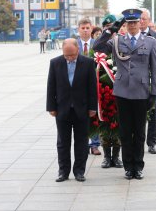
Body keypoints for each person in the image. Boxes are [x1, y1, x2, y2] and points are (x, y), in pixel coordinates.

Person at [93, 8, 156, 180]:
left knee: (139, 132)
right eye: (128, 23)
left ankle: (138, 166)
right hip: (122, 92)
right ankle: (128, 167)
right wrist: (110, 31)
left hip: (141, 92)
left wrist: (154, 93)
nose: (131, 26)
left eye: (134, 23)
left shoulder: (150, 42)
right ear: (125, 24)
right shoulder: (117, 41)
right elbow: (98, 47)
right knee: (124, 131)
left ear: (140, 23)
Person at [46, 39, 97, 182]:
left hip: (82, 109)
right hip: (62, 109)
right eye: (66, 56)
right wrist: (51, 107)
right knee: (63, 142)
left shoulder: (87, 63)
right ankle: (63, 171)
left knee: (81, 142)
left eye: (72, 55)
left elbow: (92, 87)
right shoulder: (55, 63)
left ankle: (79, 171)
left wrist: (93, 107)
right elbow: (51, 86)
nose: (69, 58)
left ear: (78, 51)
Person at [140, 9, 156, 155]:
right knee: (139, 113)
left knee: (153, 112)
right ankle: (138, 139)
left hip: (153, 81)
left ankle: (152, 142)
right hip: (138, 82)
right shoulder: (131, 37)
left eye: (144, 19)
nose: (141, 21)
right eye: (139, 19)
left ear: (149, 20)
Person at [98, 13, 122, 169]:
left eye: (112, 26)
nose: (110, 29)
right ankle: (106, 157)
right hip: (103, 89)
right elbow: (97, 49)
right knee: (104, 123)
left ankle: (117, 156)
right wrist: (107, 33)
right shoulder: (101, 42)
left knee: (118, 122)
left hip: (120, 88)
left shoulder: (122, 40)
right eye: (107, 27)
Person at [77, 18, 101, 155]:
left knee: (94, 114)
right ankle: (83, 143)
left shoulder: (96, 44)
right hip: (78, 86)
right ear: (78, 29)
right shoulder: (73, 44)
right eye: (83, 28)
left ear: (91, 29)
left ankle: (95, 144)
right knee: (80, 115)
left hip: (94, 84)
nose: (85, 30)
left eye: (87, 28)